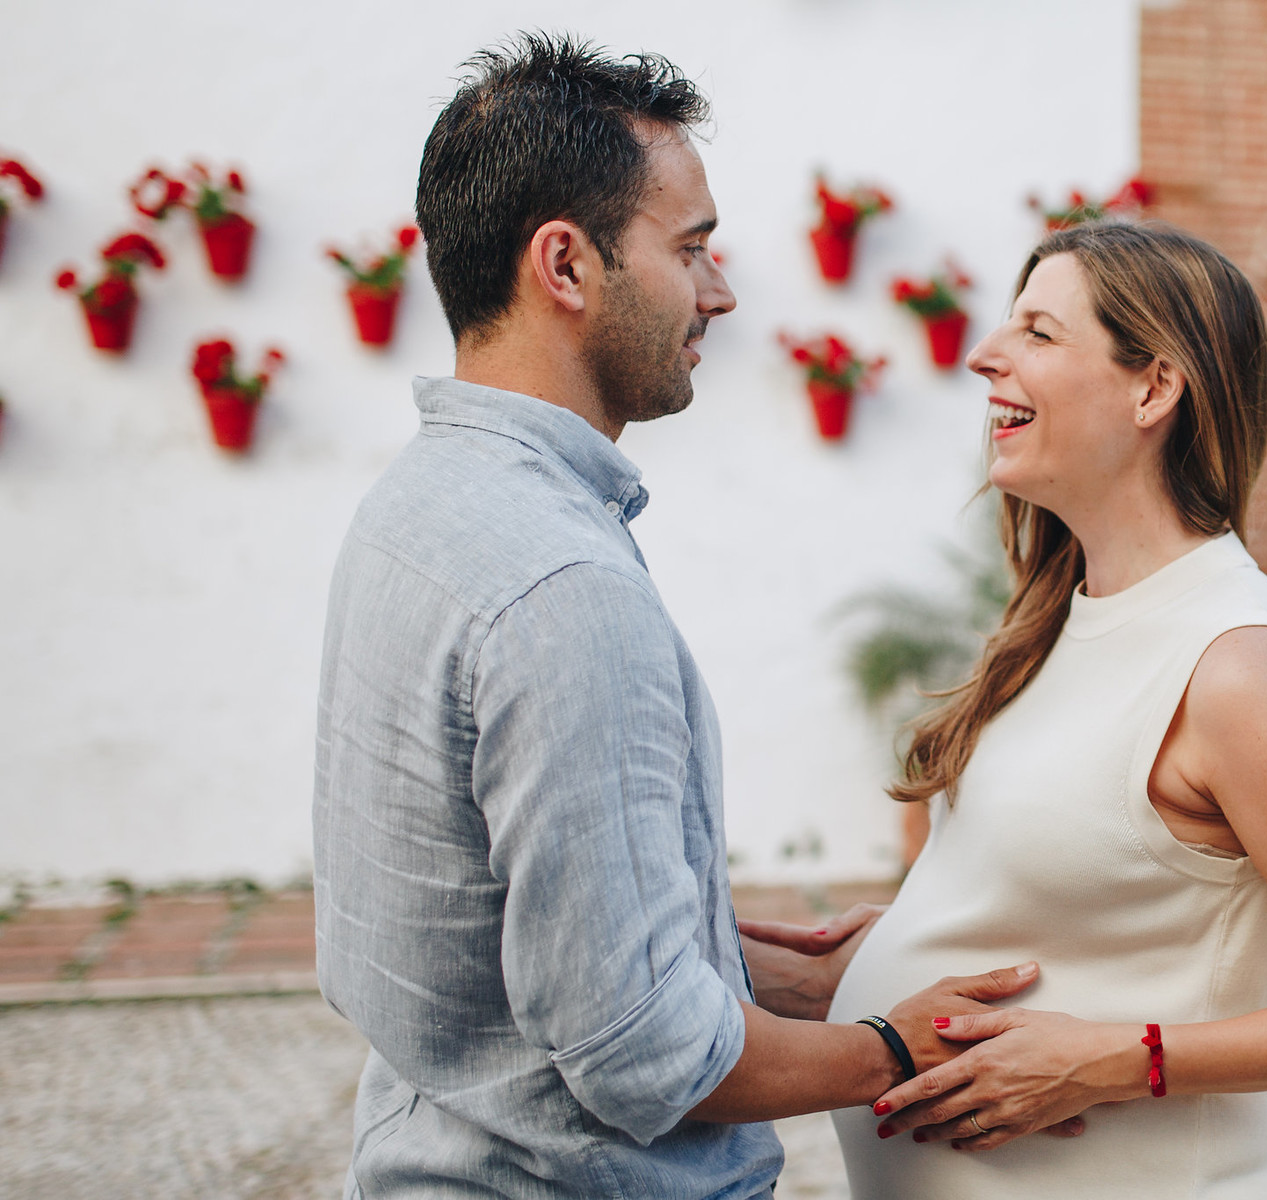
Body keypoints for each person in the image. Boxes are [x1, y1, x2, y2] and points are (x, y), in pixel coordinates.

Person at [312, 35, 1048, 1199]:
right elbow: (642, 1053)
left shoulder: (413, 510)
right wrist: (897, 1047)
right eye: (691, 249)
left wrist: (750, 963)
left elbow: (492, 922)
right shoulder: (560, 590)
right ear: (566, 264)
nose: (721, 289)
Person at [813, 221, 1267, 1198]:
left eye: (1037, 331)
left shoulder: (1237, 661)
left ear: (1153, 387)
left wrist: (1122, 1059)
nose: (987, 355)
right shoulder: (1056, 616)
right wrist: (900, 943)